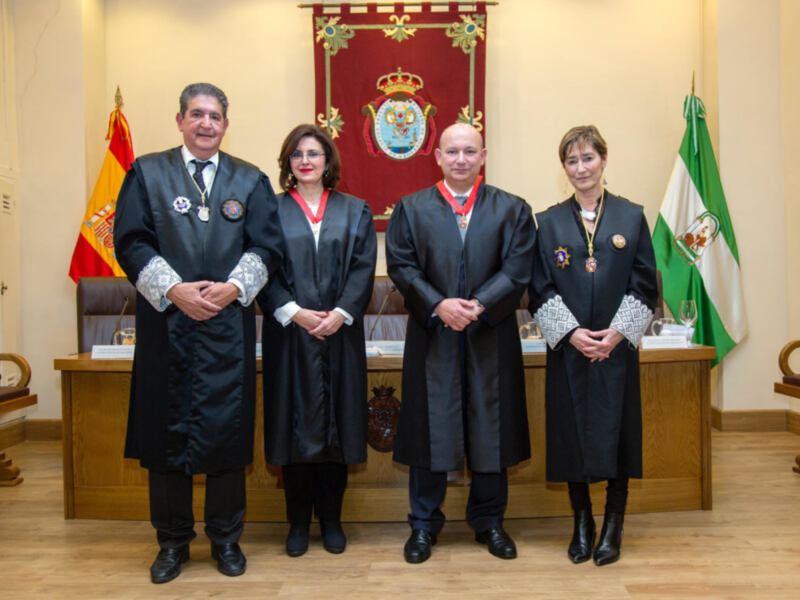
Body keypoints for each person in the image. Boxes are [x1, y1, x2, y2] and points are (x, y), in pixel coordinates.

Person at [113, 83, 283, 583]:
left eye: (214, 116)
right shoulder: (146, 172)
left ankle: (226, 540)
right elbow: (131, 241)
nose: (206, 123)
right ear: (180, 120)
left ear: (226, 124)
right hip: (166, 326)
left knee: (226, 439)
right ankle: (172, 544)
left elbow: (268, 248)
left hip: (227, 331)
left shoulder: (250, 180)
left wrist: (232, 288)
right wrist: (175, 290)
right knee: (167, 439)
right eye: (196, 114)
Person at [385, 123, 535, 563]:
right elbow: (402, 265)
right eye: (452, 152)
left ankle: (489, 522)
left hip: (491, 334)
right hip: (434, 336)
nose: (461, 159)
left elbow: (518, 268)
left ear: (483, 155)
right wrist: (438, 305)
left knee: (493, 431)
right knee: (431, 430)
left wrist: (478, 305)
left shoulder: (512, 209)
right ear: (437, 156)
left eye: (470, 151)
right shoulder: (411, 210)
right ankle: (423, 526)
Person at [528, 125, 658, 566]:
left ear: (604, 159)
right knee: (571, 436)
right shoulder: (546, 222)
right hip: (569, 350)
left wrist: (617, 334)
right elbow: (539, 287)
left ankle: (613, 523)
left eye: (588, 158)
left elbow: (644, 283)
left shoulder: (631, 215)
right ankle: (582, 521)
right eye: (572, 160)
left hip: (617, 350)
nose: (580, 168)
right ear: (563, 167)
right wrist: (572, 334)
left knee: (618, 434)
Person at [258, 124, 377, 557]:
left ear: (328, 160)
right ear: (287, 163)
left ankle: (331, 520)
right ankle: (295, 524)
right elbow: (259, 267)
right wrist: (293, 311)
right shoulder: (268, 210)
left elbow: (363, 268)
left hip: (340, 336)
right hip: (289, 335)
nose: (305, 160)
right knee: (292, 429)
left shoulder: (355, 210)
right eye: (297, 154)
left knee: (337, 430)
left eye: (314, 153)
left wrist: (342, 312)